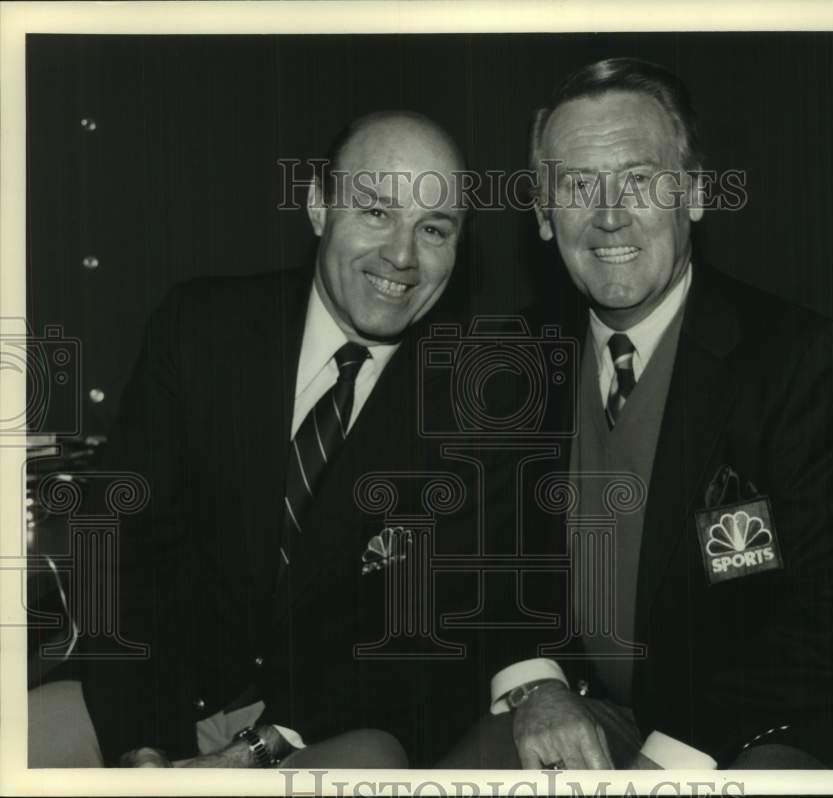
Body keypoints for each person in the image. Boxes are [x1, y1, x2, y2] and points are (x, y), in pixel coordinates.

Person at [446, 57, 833, 770]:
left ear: (693, 195)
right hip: (581, 707)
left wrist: (673, 757)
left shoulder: (799, 362)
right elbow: (488, 567)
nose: (609, 214)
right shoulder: (511, 365)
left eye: (638, 179)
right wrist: (536, 685)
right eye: (577, 186)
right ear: (541, 214)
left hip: (761, 723)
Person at [29, 110, 505, 768]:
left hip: (326, 727)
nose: (402, 255)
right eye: (375, 212)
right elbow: (122, 549)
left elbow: (431, 646)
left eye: (433, 228)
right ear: (318, 207)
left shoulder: (478, 407)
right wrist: (145, 751)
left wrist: (261, 748)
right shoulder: (200, 331)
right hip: (155, 696)